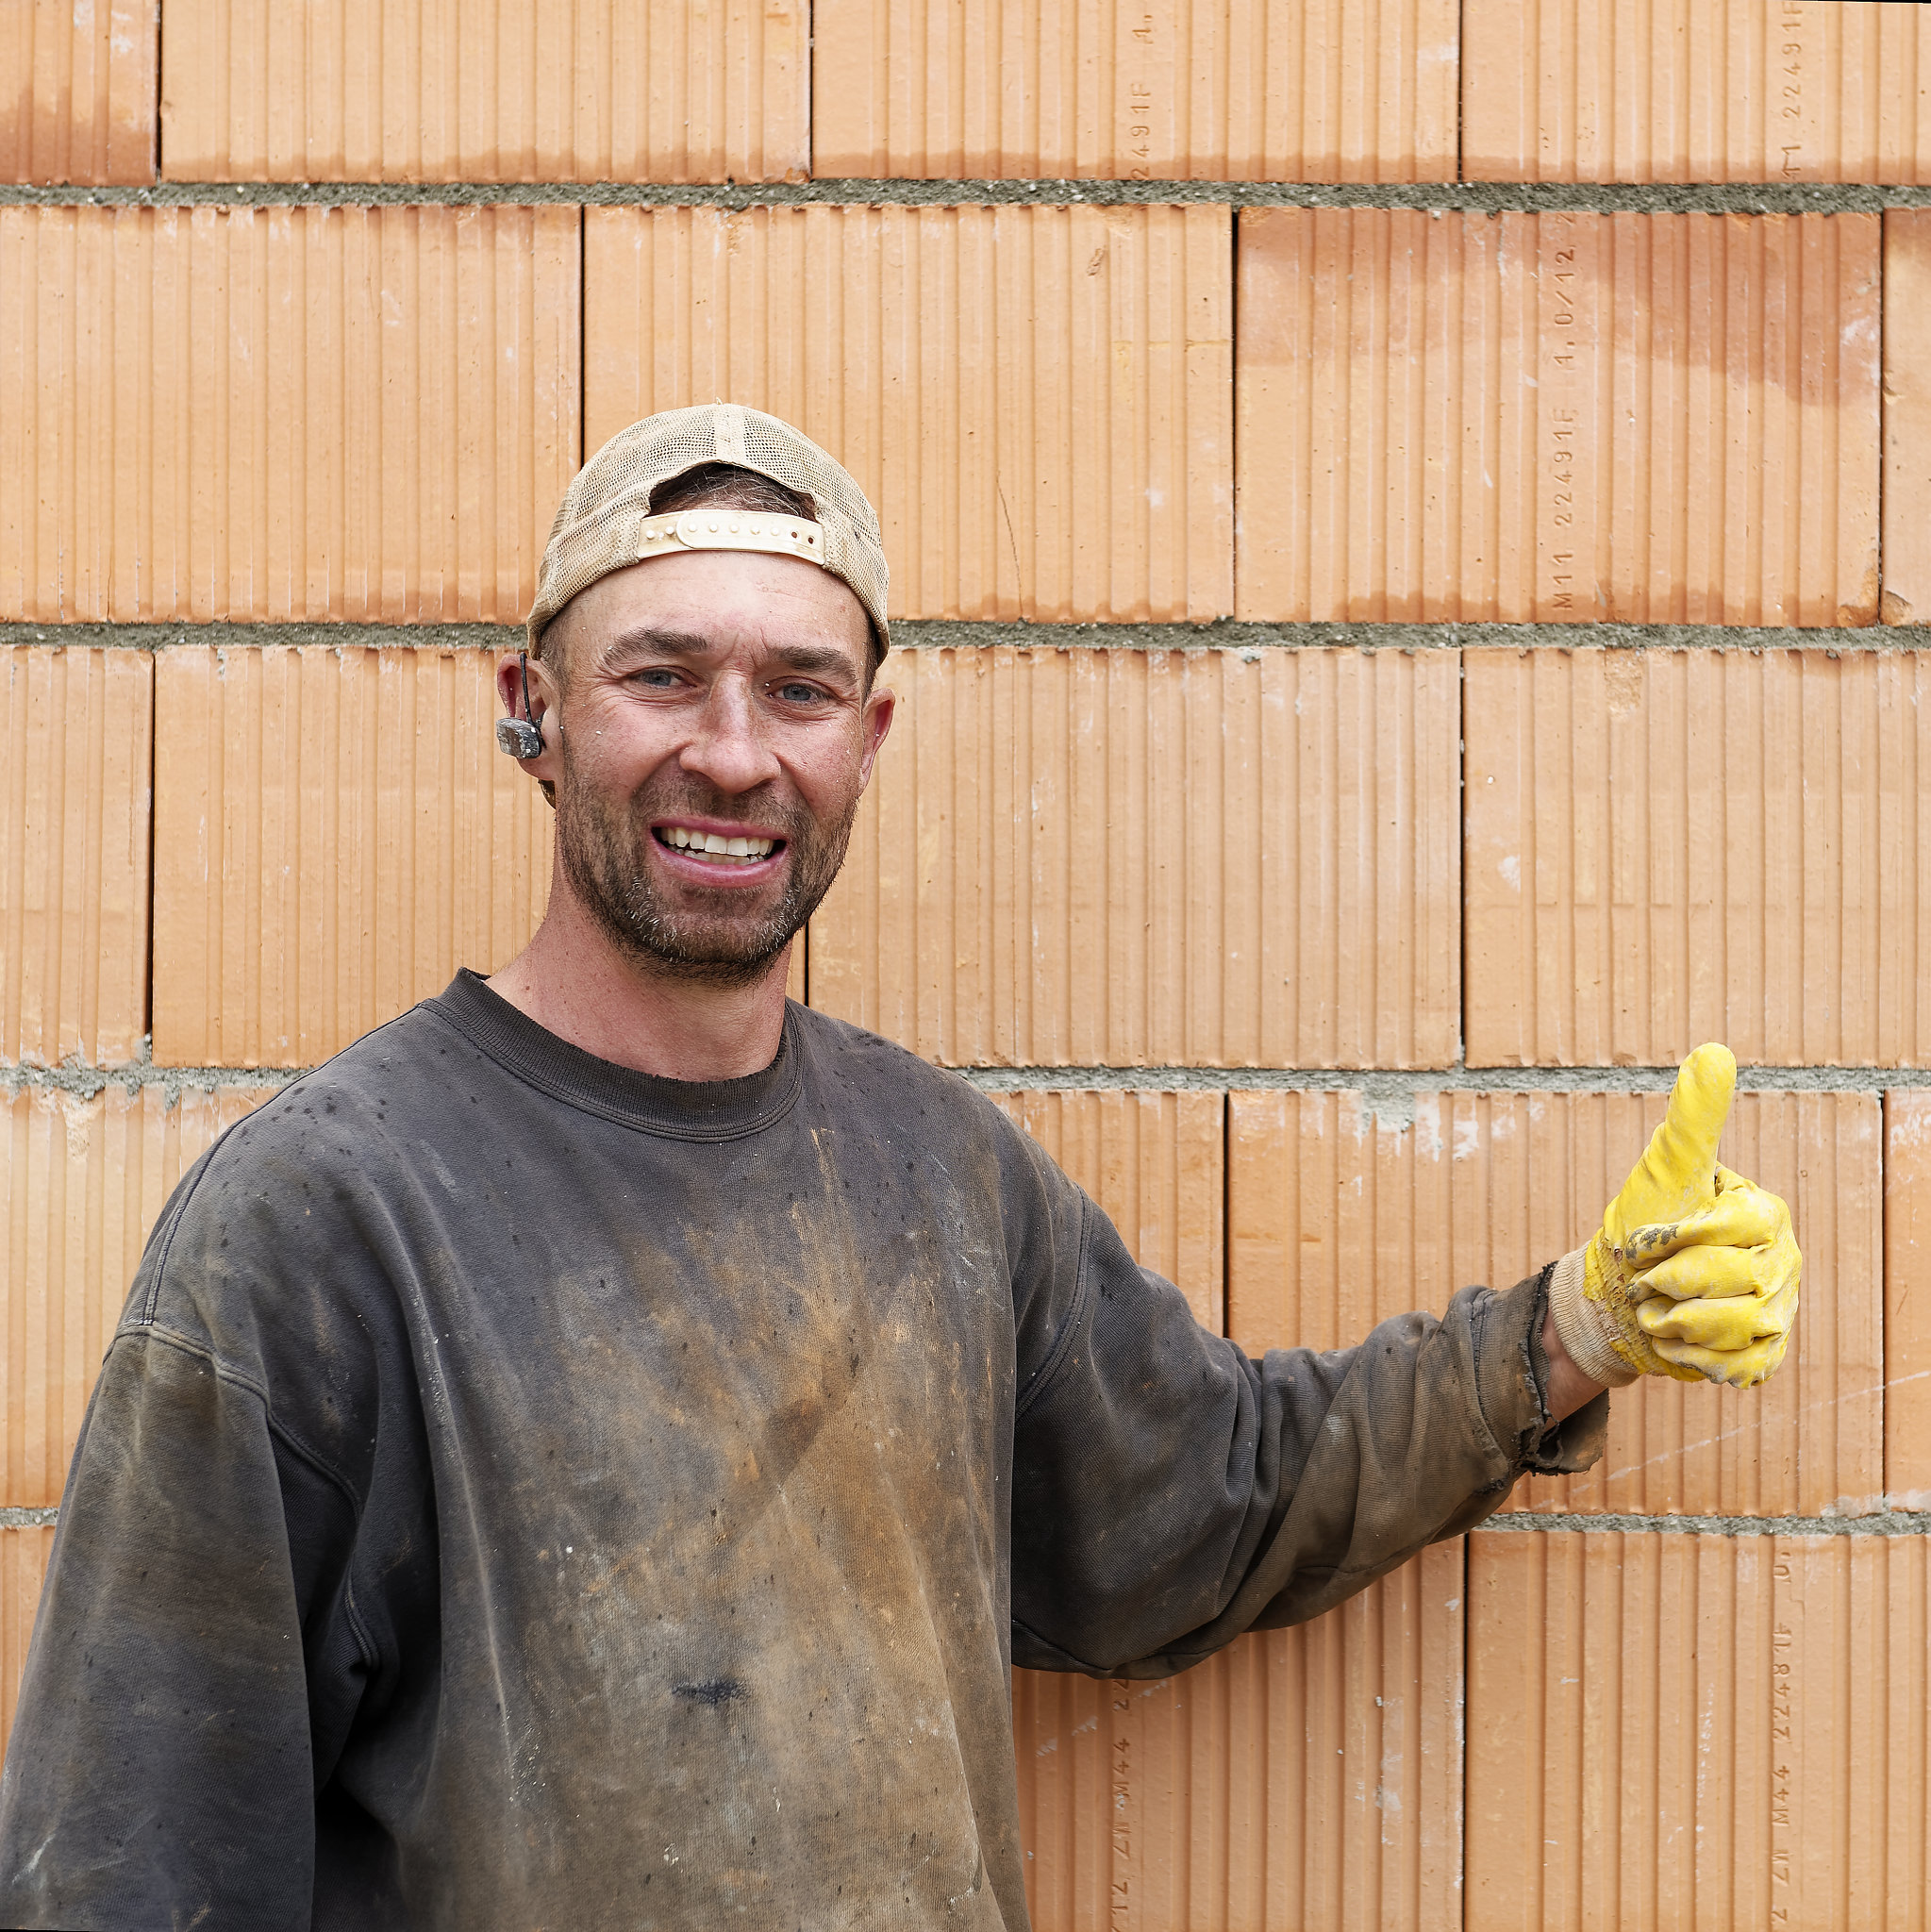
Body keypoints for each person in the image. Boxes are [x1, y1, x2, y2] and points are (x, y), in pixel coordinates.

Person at [0, 406, 1800, 1931]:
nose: (733, 750)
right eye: (661, 676)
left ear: (868, 738)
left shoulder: (941, 1180)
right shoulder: (322, 1222)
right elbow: (134, 1856)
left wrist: (1571, 1331)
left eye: (800, 689)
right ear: (531, 707)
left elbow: (1219, 1499)